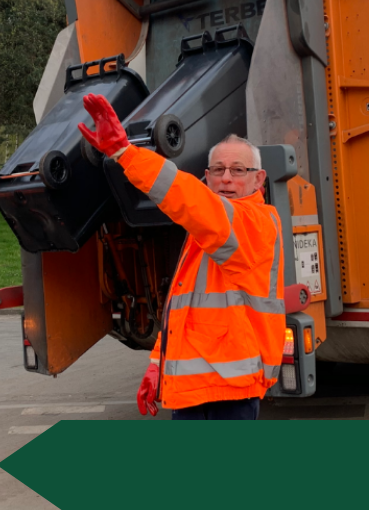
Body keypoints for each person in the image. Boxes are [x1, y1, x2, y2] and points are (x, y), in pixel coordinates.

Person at [80, 94, 285, 420]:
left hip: (229, 389)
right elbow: (184, 311)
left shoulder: (255, 224)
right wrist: (157, 364)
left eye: (238, 169)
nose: (227, 178)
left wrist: (125, 153)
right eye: (218, 169)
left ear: (258, 180)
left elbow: (191, 199)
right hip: (196, 388)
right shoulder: (206, 231)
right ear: (207, 176)